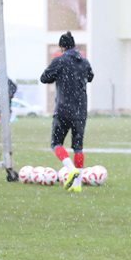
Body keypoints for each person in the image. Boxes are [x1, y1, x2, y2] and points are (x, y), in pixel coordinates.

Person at [40, 31, 94, 192]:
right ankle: (77, 186)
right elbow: (90, 77)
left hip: (63, 109)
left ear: (62, 47)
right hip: (80, 111)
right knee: (78, 147)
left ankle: (72, 170)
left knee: (56, 143)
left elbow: (44, 78)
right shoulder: (84, 62)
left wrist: (57, 71)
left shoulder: (60, 60)